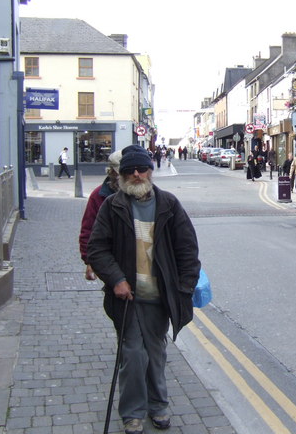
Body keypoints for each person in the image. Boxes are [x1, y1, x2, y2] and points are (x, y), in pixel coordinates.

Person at [87, 145, 201, 433]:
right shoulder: (112, 206)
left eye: (141, 169)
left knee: (156, 352)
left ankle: (158, 405)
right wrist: (116, 280)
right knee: (133, 354)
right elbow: (97, 249)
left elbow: (187, 250)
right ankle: (133, 412)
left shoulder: (169, 205)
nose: (136, 174)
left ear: (151, 170)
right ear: (121, 175)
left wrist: (184, 288)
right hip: (128, 297)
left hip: (160, 296)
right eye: (129, 171)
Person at [79, 150, 122, 280]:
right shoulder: (98, 196)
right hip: (112, 260)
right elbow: (88, 229)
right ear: (113, 172)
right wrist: (89, 260)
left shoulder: (145, 193)